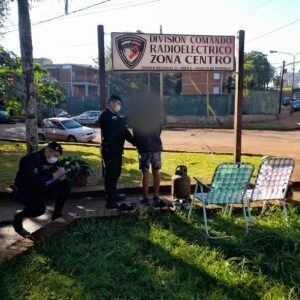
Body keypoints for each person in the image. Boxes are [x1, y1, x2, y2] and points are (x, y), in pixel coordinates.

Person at [13, 141, 71, 237]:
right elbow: (32, 179)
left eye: (57, 156)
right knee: (39, 210)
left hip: (42, 187)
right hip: (26, 189)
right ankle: (19, 217)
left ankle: (56, 215)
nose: (55, 158)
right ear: (47, 150)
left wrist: (62, 175)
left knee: (65, 184)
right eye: (55, 155)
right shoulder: (29, 160)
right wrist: (53, 175)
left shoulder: (51, 160)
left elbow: (54, 172)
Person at [98, 95, 136, 209]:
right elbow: (119, 122)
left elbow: (125, 132)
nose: (119, 106)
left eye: (119, 104)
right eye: (117, 103)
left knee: (116, 174)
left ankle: (113, 195)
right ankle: (110, 201)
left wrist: (136, 142)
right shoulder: (105, 115)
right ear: (111, 103)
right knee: (110, 175)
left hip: (117, 151)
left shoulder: (115, 116)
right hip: (109, 150)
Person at [130, 93, 166, 208]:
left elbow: (135, 134)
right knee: (156, 171)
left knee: (145, 172)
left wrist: (138, 143)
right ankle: (156, 196)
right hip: (156, 147)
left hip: (144, 148)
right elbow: (159, 130)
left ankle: (145, 198)